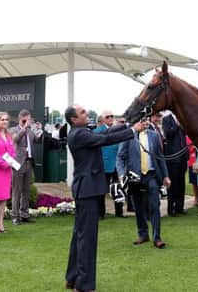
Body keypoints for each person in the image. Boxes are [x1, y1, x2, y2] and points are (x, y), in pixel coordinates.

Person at [64, 104, 145, 292]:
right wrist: (133, 130)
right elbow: (106, 139)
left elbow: (106, 134)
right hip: (87, 191)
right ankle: (83, 285)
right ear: (74, 120)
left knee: (80, 236)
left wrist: (127, 124)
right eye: (82, 112)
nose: (87, 113)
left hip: (86, 190)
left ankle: (73, 277)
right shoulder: (80, 134)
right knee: (87, 239)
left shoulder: (81, 132)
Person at [116, 124, 171, 249]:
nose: (145, 122)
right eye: (142, 119)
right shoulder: (129, 135)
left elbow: (160, 158)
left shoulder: (154, 136)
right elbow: (120, 156)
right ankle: (143, 234)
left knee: (154, 205)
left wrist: (165, 176)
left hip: (151, 175)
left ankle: (157, 238)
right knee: (138, 206)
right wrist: (121, 174)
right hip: (134, 176)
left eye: (147, 119)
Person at [10, 109, 43, 225]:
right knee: (16, 191)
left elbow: (38, 140)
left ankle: (24, 214)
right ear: (21, 118)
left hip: (29, 162)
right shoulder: (13, 129)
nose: (29, 122)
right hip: (18, 163)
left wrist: (39, 129)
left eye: (30, 119)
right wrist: (24, 128)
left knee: (26, 191)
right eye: (27, 119)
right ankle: (15, 216)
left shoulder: (30, 131)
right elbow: (15, 139)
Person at [93, 110, 124, 218]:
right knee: (102, 189)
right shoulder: (97, 131)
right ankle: (101, 213)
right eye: (107, 117)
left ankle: (119, 212)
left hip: (117, 164)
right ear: (103, 119)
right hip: (104, 165)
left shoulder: (117, 130)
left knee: (118, 188)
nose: (110, 118)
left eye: (112, 116)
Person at [162, 112, 188, 216]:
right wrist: (177, 125)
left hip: (182, 156)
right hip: (173, 156)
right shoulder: (166, 119)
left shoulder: (182, 117)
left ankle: (179, 207)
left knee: (181, 183)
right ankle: (171, 208)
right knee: (173, 184)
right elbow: (168, 134)